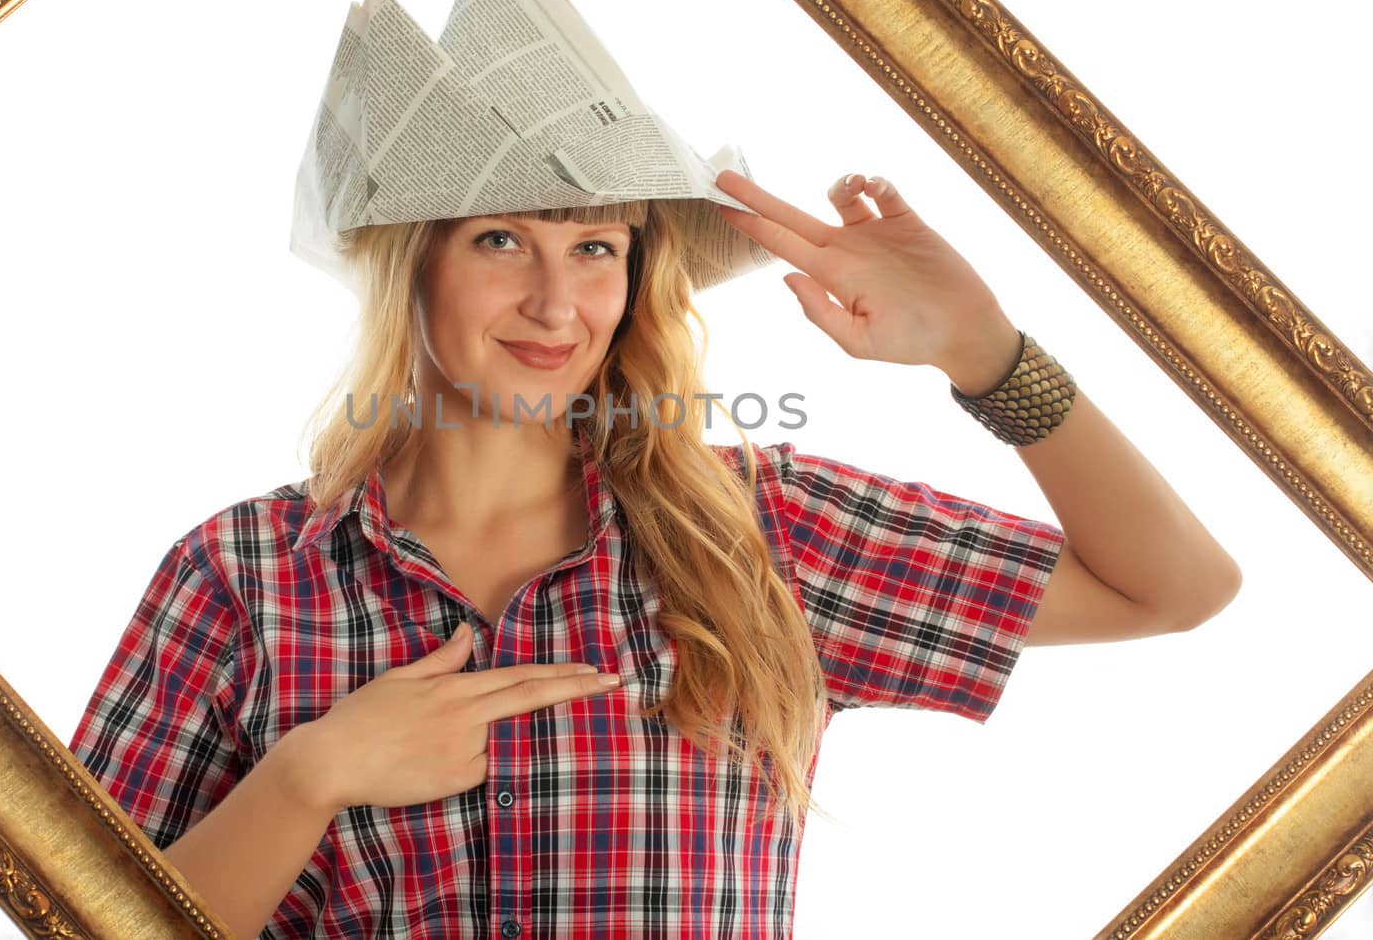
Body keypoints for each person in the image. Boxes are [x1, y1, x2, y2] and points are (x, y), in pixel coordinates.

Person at [68, 169, 1241, 939]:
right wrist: (306, 777)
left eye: (595, 247)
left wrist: (985, 354)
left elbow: (1176, 586)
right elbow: (72, 913)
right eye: (498, 238)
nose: (554, 299)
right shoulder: (246, 571)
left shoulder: (757, 531)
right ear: (408, 265)